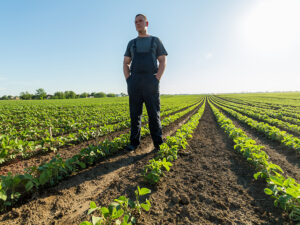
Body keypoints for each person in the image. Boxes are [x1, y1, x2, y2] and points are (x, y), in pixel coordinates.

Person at [123, 14, 168, 151]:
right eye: (135, 22)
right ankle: (134, 143)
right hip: (135, 82)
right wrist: (128, 79)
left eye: (140, 21)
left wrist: (157, 78)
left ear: (146, 23)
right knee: (134, 115)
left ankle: (158, 143)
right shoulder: (132, 43)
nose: (138, 23)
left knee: (154, 115)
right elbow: (125, 63)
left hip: (150, 81)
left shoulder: (155, 41)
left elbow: (162, 61)